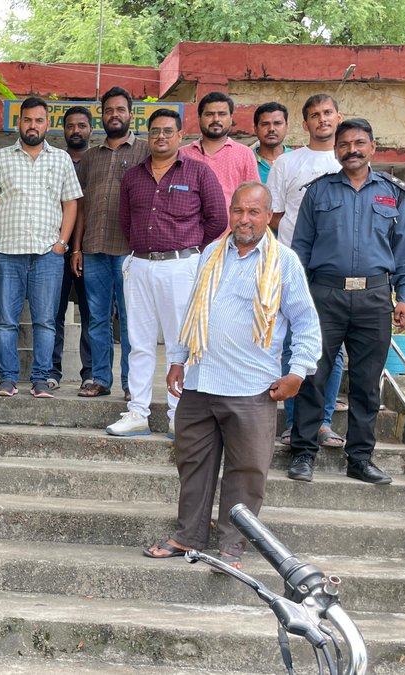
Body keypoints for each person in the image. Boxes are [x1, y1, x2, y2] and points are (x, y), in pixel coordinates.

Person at [143, 182, 321, 570]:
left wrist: (298, 373)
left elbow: (306, 321)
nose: (244, 219)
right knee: (192, 463)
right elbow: (193, 309)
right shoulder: (211, 253)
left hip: (253, 388)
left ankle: (231, 547)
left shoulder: (283, 261)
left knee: (246, 473)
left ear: (269, 216)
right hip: (201, 380)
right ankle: (188, 535)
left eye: (254, 212)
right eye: (238, 211)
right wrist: (176, 359)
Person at [289, 118, 405, 485]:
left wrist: (404, 297)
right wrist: (298, 299)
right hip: (324, 295)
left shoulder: (394, 194)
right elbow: (300, 250)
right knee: (314, 374)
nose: (352, 150)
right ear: (336, 150)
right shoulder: (318, 192)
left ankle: (360, 458)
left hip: (375, 297)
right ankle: (303, 453)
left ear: (373, 147)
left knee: (365, 383)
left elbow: (404, 253)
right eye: (344, 144)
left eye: (359, 143)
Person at [108, 109, 226, 437]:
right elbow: (125, 221)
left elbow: (217, 218)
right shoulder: (133, 176)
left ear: (179, 135)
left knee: (180, 344)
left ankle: (179, 414)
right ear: (148, 135)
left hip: (181, 267)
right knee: (139, 342)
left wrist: (189, 248)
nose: (161, 136)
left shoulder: (198, 173)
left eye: (168, 131)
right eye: (155, 131)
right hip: (141, 265)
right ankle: (137, 413)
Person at [0, 97, 82, 398]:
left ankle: (40, 378)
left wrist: (62, 243)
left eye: (38, 120)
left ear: (47, 124)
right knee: (6, 321)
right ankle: (8, 379)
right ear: (18, 123)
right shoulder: (1, 158)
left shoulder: (60, 159)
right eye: (27, 120)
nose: (32, 125)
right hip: (7, 253)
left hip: (47, 255)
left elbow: (71, 203)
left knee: (46, 321)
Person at [268, 94, 347, 450]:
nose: (322, 119)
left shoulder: (348, 160)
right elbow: (275, 217)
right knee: (291, 343)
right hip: (293, 265)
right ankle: (293, 421)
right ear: (305, 124)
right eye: (314, 115)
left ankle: (324, 421)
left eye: (328, 113)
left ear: (338, 116)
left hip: (336, 270)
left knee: (333, 350)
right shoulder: (288, 163)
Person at [72, 86, 149, 399]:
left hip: (130, 253)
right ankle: (100, 379)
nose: (114, 115)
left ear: (130, 114)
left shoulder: (145, 152)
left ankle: (132, 384)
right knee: (97, 318)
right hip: (94, 250)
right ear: (101, 117)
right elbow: (79, 206)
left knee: (132, 321)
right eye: (108, 111)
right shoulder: (90, 157)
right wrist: (76, 248)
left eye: (120, 109)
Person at [52, 106, 94, 391]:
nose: (75, 130)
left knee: (92, 313)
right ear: (63, 130)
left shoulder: (98, 159)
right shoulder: (53, 160)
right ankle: (52, 371)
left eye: (81, 125)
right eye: (70, 126)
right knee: (52, 312)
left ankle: (90, 372)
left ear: (91, 129)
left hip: (92, 249)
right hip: (54, 247)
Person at [180, 92, 259, 214]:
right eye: (209, 114)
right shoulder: (183, 154)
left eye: (222, 114)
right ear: (199, 118)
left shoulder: (244, 154)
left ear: (231, 118)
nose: (216, 119)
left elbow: (254, 196)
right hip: (190, 230)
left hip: (231, 231)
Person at [253, 101, 290, 184]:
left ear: (286, 126)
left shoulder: (297, 160)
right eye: (265, 124)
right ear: (255, 129)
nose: (271, 129)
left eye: (277, 123)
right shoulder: (246, 160)